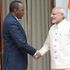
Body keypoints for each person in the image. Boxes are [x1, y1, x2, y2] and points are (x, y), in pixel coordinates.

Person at [3, 1, 37, 70]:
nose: (24, 12)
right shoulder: (11, 22)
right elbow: (21, 43)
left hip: (15, 62)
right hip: (14, 63)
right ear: (15, 10)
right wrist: (34, 52)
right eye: (22, 10)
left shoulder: (11, 19)